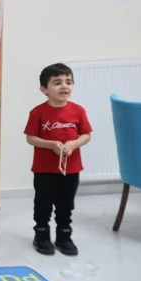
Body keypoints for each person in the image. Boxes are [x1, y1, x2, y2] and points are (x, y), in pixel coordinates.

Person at [25, 63, 92, 256]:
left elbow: (86, 135)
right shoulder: (37, 112)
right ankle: (41, 235)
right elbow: (31, 138)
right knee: (43, 203)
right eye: (57, 82)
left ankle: (64, 236)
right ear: (44, 89)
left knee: (66, 204)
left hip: (71, 169)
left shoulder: (78, 111)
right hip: (44, 169)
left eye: (68, 82)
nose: (64, 86)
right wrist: (51, 145)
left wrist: (74, 144)